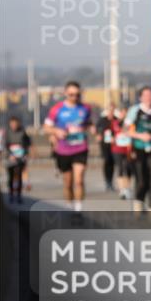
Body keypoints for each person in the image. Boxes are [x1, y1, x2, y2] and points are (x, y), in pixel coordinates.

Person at [43, 81, 94, 213]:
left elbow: (88, 123)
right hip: (63, 150)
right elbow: (46, 127)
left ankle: (78, 208)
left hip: (80, 148)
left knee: (79, 180)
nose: (74, 97)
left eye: (77, 95)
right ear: (65, 93)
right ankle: (69, 204)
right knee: (68, 182)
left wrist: (91, 128)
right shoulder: (57, 109)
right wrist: (56, 131)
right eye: (71, 94)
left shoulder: (85, 108)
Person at [125, 86, 151, 222]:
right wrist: (140, 136)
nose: (149, 98)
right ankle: (138, 201)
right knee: (142, 179)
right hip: (139, 148)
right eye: (146, 95)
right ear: (140, 97)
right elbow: (127, 130)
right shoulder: (134, 111)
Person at [104, 106, 133, 200]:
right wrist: (110, 139)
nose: (124, 115)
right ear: (119, 113)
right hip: (117, 148)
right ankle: (122, 190)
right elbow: (108, 134)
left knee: (128, 168)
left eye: (126, 113)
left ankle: (127, 188)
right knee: (120, 168)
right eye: (122, 112)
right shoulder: (114, 123)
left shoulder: (131, 124)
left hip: (129, 149)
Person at [3, 116, 31, 204]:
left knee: (19, 176)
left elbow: (28, 143)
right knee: (11, 177)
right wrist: (10, 155)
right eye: (12, 123)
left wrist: (25, 154)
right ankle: (11, 194)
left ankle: (19, 196)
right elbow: (5, 145)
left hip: (20, 157)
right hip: (10, 157)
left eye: (16, 123)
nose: (14, 125)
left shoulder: (23, 131)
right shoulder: (7, 132)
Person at [96, 107, 117, 192]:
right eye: (109, 111)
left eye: (112, 111)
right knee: (107, 161)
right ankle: (107, 181)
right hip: (104, 144)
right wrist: (98, 135)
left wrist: (115, 137)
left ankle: (111, 181)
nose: (110, 113)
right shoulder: (102, 120)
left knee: (112, 162)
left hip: (114, 144)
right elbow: (96, 129)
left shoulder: (116, 119)